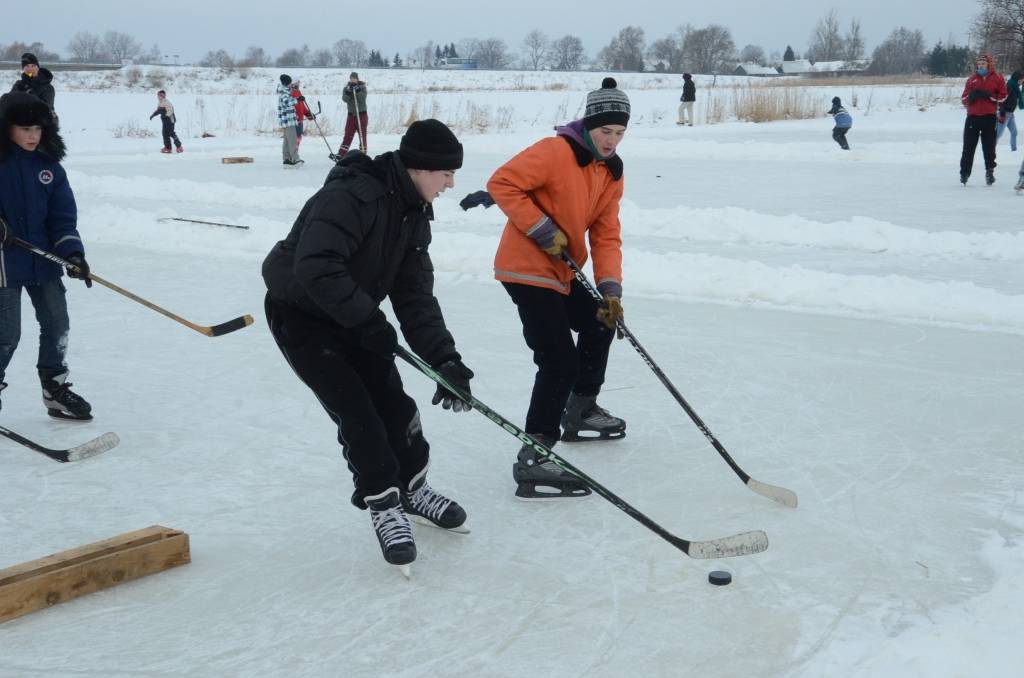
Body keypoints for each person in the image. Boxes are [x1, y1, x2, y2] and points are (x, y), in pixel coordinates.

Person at [262, 119, 472, 573]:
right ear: (419, 168)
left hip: (355, 316)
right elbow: (315, 267)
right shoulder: (352, 197)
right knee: (358, 412)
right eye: (446, 173)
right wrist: (368, 320)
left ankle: (413, 490)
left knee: (395, 407)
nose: (451, 183)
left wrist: (445, 360)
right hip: (302, 316)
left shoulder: (413, 214)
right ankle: (384, 503)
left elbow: (415, 295)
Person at [488, 77, 629, 500]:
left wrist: (610, 289)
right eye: (606, 131)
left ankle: (580, 408)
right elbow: (502, 183)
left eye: (620, 133)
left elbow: (606, 233)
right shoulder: (555, 152)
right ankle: (535, 456)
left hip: (564, 272)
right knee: (558, 361)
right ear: (588, 125)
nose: (612, 141)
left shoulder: (609, 173)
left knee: (601, 322)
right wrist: (542, 228)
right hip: (527, 269)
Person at [0, 92, 93, 421]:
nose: (31, 135)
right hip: (3, 265)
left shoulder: (49, 168)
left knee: (57, 323)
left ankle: (54, 390)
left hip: (44, 261)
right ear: (6, 128)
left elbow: (62, 218)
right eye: (24, 128)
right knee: (6, 334)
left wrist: (73, 254)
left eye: (37, 129)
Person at [960, 53, 1007, 186]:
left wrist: (990, 96)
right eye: (979, 64)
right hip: (972, 118)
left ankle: (989, 172)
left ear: (989, 64)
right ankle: (964, 173)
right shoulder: (971, 80)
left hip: (989, 118)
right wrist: (970, 97)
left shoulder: (998, 78)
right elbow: (963, 100)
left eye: (983, 64)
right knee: (968, 147)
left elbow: (1003, 97)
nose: (980, 66)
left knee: (989, 148)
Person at [337, 72, 368, 156]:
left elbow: (363, 98)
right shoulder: (346, 88)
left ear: (357, 79)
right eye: (351, 78)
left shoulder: (362, 88)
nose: (353, 80)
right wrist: (348, 92)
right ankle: (341, 154)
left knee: (362, 135)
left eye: (354, 78)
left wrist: (357, 91)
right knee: (348, 135)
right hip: (351, 115)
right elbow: (345, 99)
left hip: (361, 115)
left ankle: (363, 154)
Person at [277, 74, 302, 167]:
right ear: (286, 83)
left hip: (288, 120)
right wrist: (298, 99)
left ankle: (287, 159)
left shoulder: (285, 91)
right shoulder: (284, 93)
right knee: (292, 140)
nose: (291, 84)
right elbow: (287, 102)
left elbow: (290, 94)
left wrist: (295, 90)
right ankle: (295, 159)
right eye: (290, 83)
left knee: (287, 141)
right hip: (288, 120)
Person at [149, 90, 183, 154]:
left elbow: (170, 110)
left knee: (171, 133)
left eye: (160, 95)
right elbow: (158, 111)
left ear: (163, 96)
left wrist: (167, 116)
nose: (159, 97)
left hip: (170, 121)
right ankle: (168, 148)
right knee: (165, 134)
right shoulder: (160, 103)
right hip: (165, 121)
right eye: (158, 95)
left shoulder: (167, 102)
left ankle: (179, 146)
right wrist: (153, 115)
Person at [997, 70, 1022, 152]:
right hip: (1004, 113)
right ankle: (990, 150)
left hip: (1011, 114)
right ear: (1016, 78)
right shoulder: (1009, 86)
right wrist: (1002, 114)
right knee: (998, 134)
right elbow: (1002, 101)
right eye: (1021, 79)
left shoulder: (1016, 87)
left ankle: (1014, 150)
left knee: (1014, 132)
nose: (1022, 81)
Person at [290, 80, 313, 149]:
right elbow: (290, 105)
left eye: (298, 84)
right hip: (294, 120)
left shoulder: (298, 92)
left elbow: (302, 105)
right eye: (296, 84)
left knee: (298, 137)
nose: (298, 85)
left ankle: (295, 153)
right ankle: (292, 155)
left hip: (300, 120)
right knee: (293, 138)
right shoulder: (289, 93)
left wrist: (308, 113)